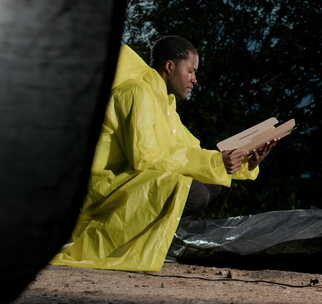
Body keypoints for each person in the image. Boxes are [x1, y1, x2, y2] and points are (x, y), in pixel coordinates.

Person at [51, 35, 277, 271]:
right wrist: (213, 162)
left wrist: (245, 161)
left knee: (211, 182)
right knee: (194, 191)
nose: (194, 79)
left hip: (134, 182)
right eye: (190, 71)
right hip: (108, 189)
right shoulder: (136, 92)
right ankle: (138, 242)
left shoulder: (165, 103)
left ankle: (161, 240)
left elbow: (191, 149)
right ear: (170, 66)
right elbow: (145, 157)